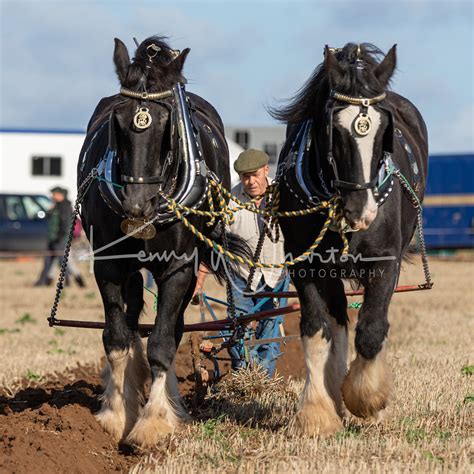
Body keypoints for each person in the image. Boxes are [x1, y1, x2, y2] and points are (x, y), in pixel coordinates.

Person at [194, 149, 288, 375]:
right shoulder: (229, 201)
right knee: (237, 331)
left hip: (276, 278)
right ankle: (243, 378)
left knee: (270, 334)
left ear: (266, 169)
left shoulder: (283, 197)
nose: (251, 181)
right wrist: (198, 284)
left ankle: (263, 382)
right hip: (240, 277)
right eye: (245, 176)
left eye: (255, 174)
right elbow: (215, 246)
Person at [34, 187, 85, 287]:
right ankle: (42, 282)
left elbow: (65, 226)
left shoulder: (65, 207)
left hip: (61, 239)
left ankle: (68, 281)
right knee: (49, 261)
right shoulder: (56, 206)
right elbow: (51, 220)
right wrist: (50, 211)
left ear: (60, 195)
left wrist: (60, 238)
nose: (52, 196)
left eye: (54, 194)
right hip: (53, 238)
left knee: (63, 262)